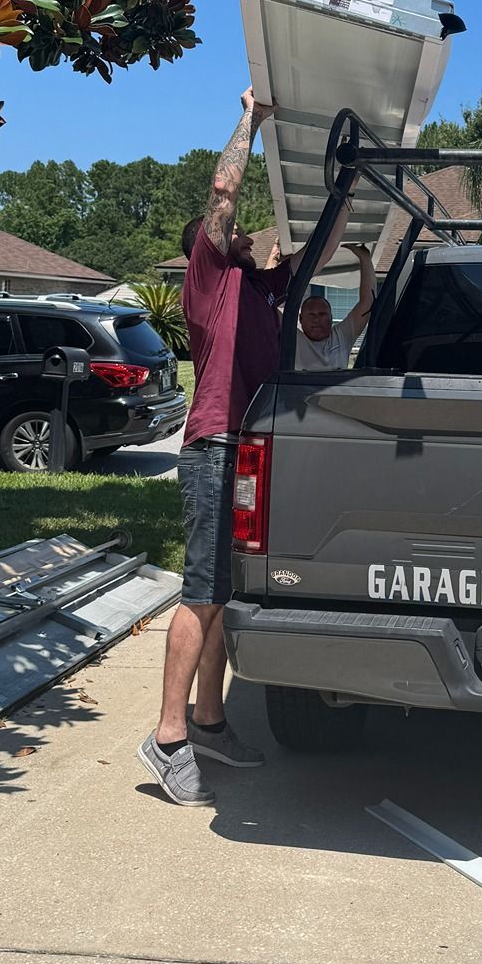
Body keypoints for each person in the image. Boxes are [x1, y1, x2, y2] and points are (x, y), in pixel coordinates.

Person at [138, 87, 345, 807]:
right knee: (201, 593)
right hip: (214, 446)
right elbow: (224, 188)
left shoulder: (258, 291)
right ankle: (166, 738)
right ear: (213, 240)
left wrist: (354, 171)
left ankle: (210, 721)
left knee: (223, 596)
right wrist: (251, 119)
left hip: (248, 451)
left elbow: (322, 239)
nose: (244, 232)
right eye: (230, 231)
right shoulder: (211, 279)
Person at [296, 244, 375, 372]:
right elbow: (265, 304)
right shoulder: (293, 339)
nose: (316, 319)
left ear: (331, 318)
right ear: (300, 319)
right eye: (311, 314)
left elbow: (368, 302)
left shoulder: (342, 335)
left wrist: (364, 258)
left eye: (322, 314)